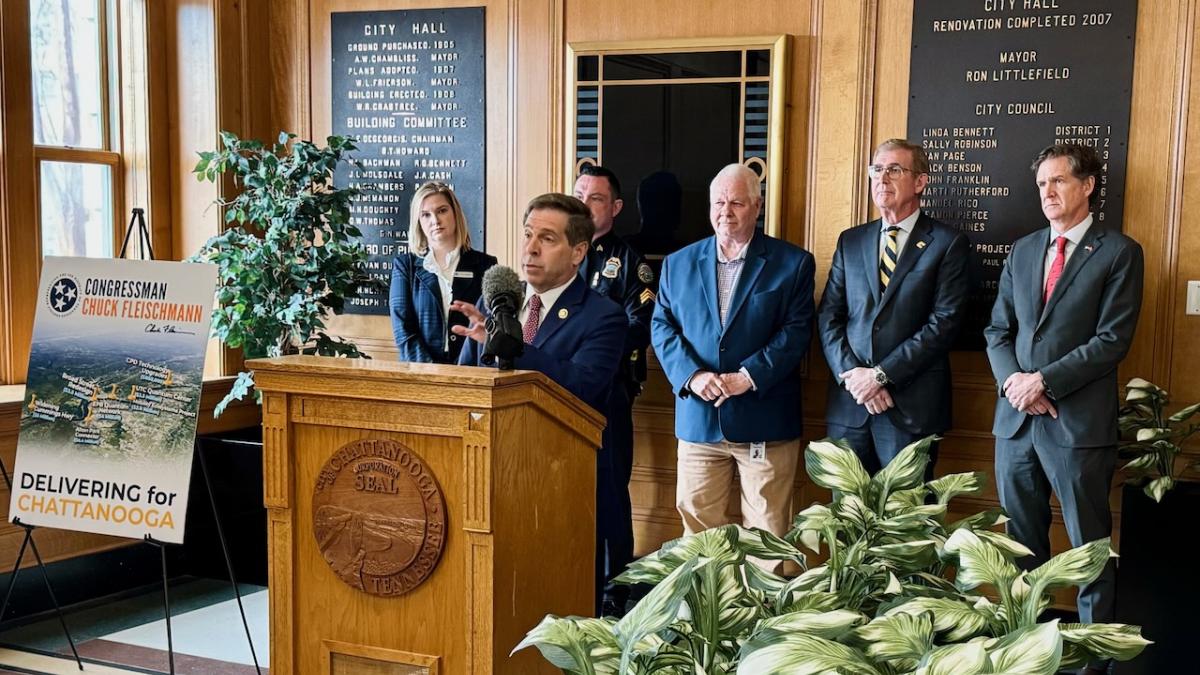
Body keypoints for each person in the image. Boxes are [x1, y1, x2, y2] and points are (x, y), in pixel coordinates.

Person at [985, 143, 1143, 675]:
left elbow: (1111, 340)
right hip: (1016, 423)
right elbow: (997, 330)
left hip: (1076, 427)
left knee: (1089, 552)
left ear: (1088, 186)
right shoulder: (1024, 249)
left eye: (1057, 182)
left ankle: (1093, 663)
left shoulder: (1119, 252)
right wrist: (1015, 384)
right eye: (1041, 185)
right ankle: (1025, 654)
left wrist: (1044, 381)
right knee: (1020, 551)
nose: (1047, 193)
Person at [651, 163, 815, 554]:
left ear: (757, 207)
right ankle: (706, 612)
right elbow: (662, 326)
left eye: (737, 202)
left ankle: (762, 615)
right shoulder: (678, 264)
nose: (726, 211)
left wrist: (747, 376)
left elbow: (796, 333)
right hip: (699, 420)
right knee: (698, 531)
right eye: (719, 202)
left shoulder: (793, 264)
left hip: (764, 418)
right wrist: (691, 376)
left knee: (768, 533)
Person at [818, 138, 971, 476]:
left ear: (920, 181)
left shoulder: (948, 244)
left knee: (907, 518)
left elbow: (943, 324)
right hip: (850, 406)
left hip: (909, 407)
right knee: (845, 517)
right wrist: (855, 379)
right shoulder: (851, 240)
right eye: (877, 170)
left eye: (894, 170)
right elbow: (830, 316)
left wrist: (882, 376)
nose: (882, 179)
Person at [573, 165, 655, 614]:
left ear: (616, 208)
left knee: (610, 490)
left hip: (609, 395)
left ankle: (616, 587)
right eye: (580, 194)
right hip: (559, 393)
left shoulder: (629, 263)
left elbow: (637, 328)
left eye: (596, 198)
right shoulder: (563, 255)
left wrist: (589, 353)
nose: (585, 204)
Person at [389, 182, 497, 364]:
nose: (435, 220)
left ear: (455, 213)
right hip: (421, 375)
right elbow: (403, 330)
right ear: (418, 221)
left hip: (472, 371)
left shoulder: (485, 265)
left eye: (442, 211)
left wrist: (463, 371)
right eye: (426, 215)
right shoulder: (405, 266)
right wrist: (430, 373)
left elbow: (490, 324)